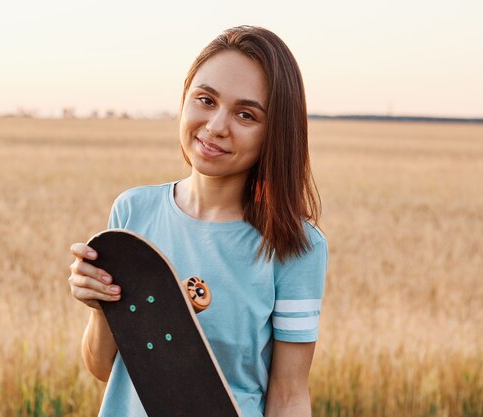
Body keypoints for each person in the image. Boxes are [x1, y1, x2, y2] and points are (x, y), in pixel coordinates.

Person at [68, 25, 327, 417]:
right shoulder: (132, 213)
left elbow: (289, 396)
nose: (217, 126)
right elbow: (106, 369)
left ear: (275, 131)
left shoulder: (294, 245)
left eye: (245, 114)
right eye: (205, 100)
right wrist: (98, 304)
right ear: (184, 99)